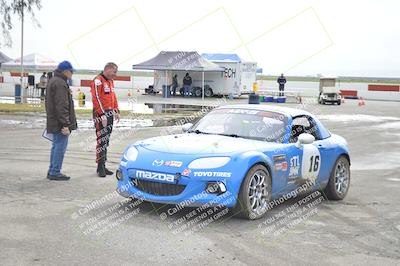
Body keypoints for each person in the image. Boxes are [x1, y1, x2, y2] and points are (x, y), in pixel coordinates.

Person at [45, 61, 77, 181]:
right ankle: (55, 171)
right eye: (71, 71)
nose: (72, 73)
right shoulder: (60, 83)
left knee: (56, 146)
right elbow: (62, 105)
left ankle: (52, 170)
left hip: (54, 120)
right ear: (65, 71)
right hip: (59, 122)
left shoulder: (54, 80)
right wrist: (65, 124)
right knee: (60, 147)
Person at [90, 62, 120, 177]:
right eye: (114, 72)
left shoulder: (110, 81)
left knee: (106, 140)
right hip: (100, 114)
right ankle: (100, 166)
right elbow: (96, 98)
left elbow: (113, 97)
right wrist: (102, 114)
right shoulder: (98, 81)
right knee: (101, 140)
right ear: (107, 70)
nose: (115, 74)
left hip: (110, 113)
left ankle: (103, 164)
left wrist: (116, 110)